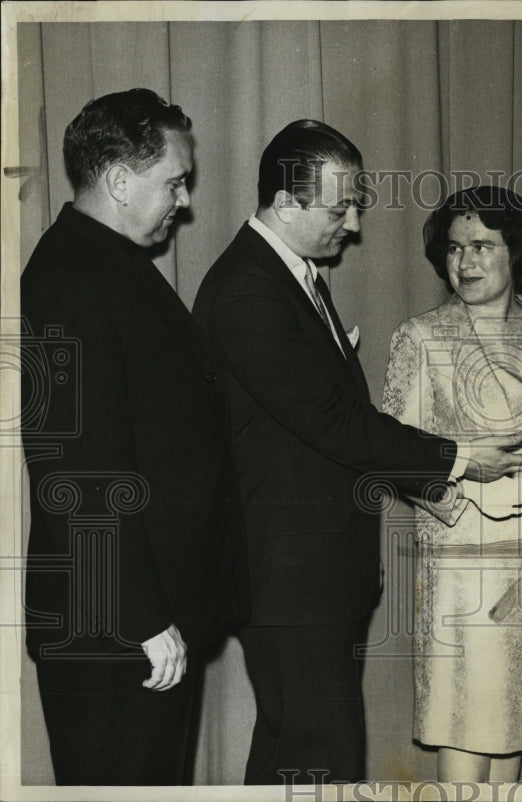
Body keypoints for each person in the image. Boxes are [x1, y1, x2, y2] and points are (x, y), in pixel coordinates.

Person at [192, 123, 522, 784]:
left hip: (305, 578)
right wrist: (457, 457)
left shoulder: (288, 274)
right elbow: (334, 421)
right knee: (322, 760)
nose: (353, 224)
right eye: (339, 208)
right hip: (289, 583)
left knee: (290, 757)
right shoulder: (250, 289)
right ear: (285, 201)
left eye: (356, 204)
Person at [20, 88, 249, 785]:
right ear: (119, 180)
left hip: (145, 626)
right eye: (174, 181)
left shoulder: (111, 266)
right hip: (114, 635)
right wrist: (141, 621)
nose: (184, 200)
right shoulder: (67, 278)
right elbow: (76, 470)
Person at [381, 185, 522, 782]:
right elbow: (398, 455)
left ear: (516, 252)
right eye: (453, 249)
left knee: (518, 719)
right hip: (464, 558)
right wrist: (468, 470)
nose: (465, 262)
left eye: (482, 246)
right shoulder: (421, 338)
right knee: (469, 717)